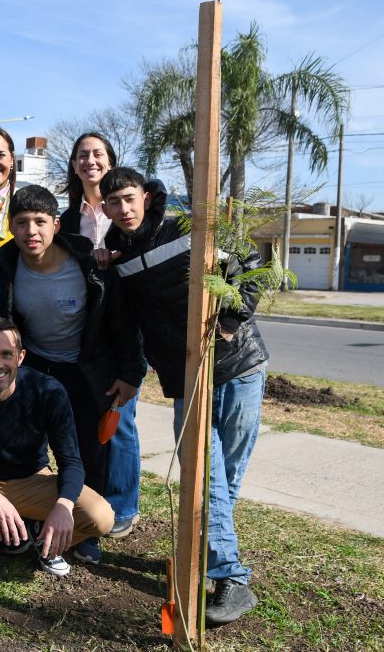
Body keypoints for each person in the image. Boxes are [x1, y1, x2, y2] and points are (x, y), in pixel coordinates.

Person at [100, 167, 269, 625]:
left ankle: (211, 560)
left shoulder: (185, 228)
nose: (123, 209)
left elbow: (253, 266)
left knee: (223, 476)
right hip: (184, 381)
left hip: (238, 368)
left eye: (129, 199)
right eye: (113, 203)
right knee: (204, 474)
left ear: (148, 197)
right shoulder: (119, 255)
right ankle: (231, 579)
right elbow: (130, 326)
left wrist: (232, 322)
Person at [0, 184, 145, 565]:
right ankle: (32, 520)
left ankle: (84, 530)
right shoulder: (5, 264)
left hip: (83, 366)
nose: (32, 231)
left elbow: (122, 323)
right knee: (29, 447)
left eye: (41, 222)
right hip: (34, 366)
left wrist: (130, 373)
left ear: (57, 225)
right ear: (11, 227)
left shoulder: (88, 263)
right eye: (22, 222)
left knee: (86, 448)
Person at [0, 318, 115, 584]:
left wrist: (63, 505)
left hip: (31, 480)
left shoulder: (48, 390)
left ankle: (44, 537)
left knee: (101, 517)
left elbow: (71, 461)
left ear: (20, 357)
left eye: (6, 354)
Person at [58, 132, 144, 540]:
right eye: (82, 155)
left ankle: (124, 504)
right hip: (83, 332)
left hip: (124, 327)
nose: (90, 161)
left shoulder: (125, 208)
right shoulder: (67, 218)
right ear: (74, 165)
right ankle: (93, 498)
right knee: (90, 423)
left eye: (98, 154)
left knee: (121, 419)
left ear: (110, 161)